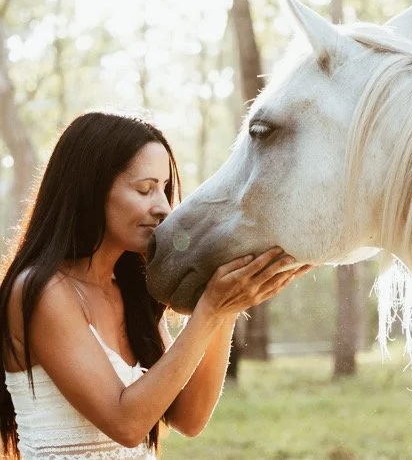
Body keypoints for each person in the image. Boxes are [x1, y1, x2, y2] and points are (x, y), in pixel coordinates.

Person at [0, 111, 310, 459]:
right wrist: (208, 311)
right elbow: (127, 424)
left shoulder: (133, 291)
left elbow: (189, 418)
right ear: (90, 189)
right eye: (144, 189)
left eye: (164, 189)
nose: (163, 207)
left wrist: (228, 304)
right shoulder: (42, 292)